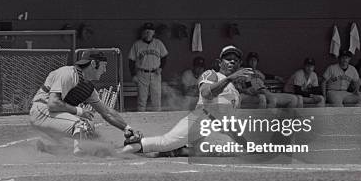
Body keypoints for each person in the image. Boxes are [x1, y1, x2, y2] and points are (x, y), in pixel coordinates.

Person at [120, 45, 254, 155]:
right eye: (228, 58)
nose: (232, 61)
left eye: (236, 60)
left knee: (225, 151)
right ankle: (124, 151)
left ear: (240, 64)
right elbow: (206, 93)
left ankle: (180, 150)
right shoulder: (212, 74)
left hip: (213, 128)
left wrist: (249, 146)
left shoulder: (235, 91)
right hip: (200, 120)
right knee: (165, 142)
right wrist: (229, 78)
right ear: (219, 62)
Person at [28, 50, 139, 155]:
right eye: (104, 66)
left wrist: (127, 128)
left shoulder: (88, 88)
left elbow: (107, 112)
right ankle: (79, 152)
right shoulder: (68, 73)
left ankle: (46, 148)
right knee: (82, 125)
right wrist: (79, 111)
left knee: (92, 134)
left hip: (53, 116)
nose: (105, 70)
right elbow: (53, 103)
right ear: (93, 63)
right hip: (41, 111)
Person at [128, 22, 169, 112]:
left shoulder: (158, 43)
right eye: (146, 31)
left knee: (156, 99)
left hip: (155, 74)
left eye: (150, 31)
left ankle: (157, 121)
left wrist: (161, 67)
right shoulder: (137, 44)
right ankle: (141, 120)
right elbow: (131, 60)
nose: (148, 33)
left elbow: (164, 56)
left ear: (153, 32)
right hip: (142, 74)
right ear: (143, 32)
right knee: (142, 100)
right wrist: (133, 75)